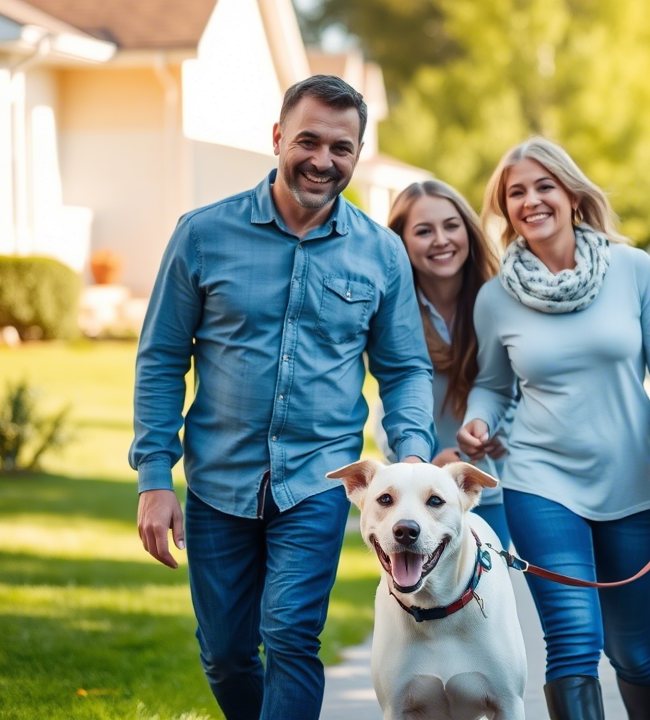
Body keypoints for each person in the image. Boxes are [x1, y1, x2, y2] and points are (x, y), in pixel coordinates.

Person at [130, 75, 435, 720]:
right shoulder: (202, 235)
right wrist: (156, 478)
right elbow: (160, 360)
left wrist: (410, 458)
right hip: (219, 480)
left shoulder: (381, 253)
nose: (323, 161)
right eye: (309, 141)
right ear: (277, 138)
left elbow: (405, 368)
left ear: (358, 154)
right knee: (226, 654)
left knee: (293, 636)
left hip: (318, 481)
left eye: (342, 148)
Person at [458, 137, 650, 720]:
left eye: (544, 186)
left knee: (633, 651)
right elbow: (493, 382)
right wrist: (478, 421)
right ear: (505, 208)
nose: (532, 201)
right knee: (571, 643)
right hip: (541, 483)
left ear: (571, 194)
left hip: (635, 481)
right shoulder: (495, 298)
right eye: (517, 192)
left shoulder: (632, 270)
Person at [383, 179, 513, 549]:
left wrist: (467, 452)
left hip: (497, 485)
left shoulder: (501, 300)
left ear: (468, 232)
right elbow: (391, 396)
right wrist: (421, 463)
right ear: (402, 242)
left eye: (451, 226)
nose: (441, 239)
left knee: (488, 598)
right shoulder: (393, 313)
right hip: (420, 493)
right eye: (424, 231)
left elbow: (519, 388)